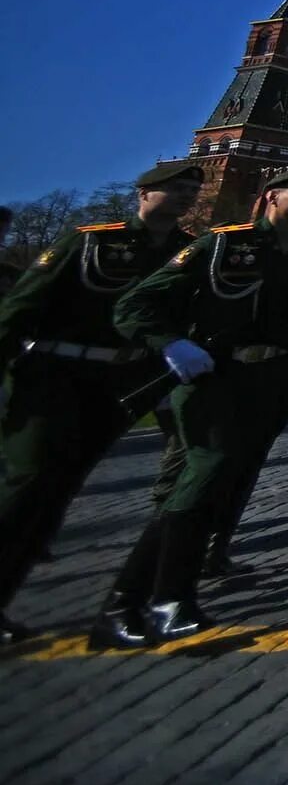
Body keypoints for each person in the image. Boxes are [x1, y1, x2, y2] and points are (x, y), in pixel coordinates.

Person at [99, 166, 288, 644]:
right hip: (217, 381)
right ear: (272, 197)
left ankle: (148, 598)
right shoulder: (225, 244)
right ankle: (153, 599)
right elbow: (135, 304)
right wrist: (170, 343)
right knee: (199, 483)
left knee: (218, 487)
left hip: (270, 384)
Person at [0, 160, 204, 645]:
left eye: (191, 191)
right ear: (144, 192)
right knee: (27, 486)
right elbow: (21, 309)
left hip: (117, 385)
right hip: (55, 378)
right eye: (175, 189)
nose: (184, 198)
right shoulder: (90, 240)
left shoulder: (185, 252)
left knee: (59, 494)